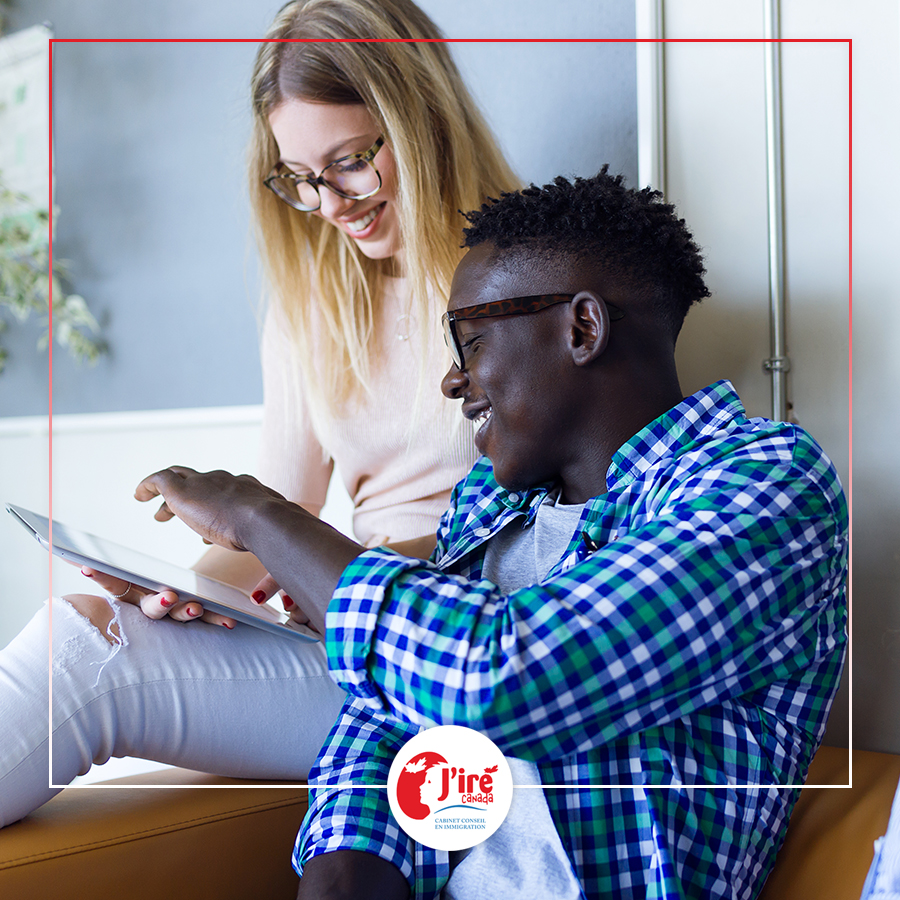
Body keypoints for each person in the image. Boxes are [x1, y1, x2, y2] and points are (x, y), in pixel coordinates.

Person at [133, 169, 849, 900]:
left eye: (471, 342)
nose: (453, 380)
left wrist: (261, 515)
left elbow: (505, 678)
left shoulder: (767, 484)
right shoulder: (486, 501)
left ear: (582, 329)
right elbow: (387, 728)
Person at [0, 0, 519, 828]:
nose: (331, 203)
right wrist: (188, 595)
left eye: (350, 162)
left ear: (422, 118)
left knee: (84, 656)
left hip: (454, 643)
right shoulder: (315, 303)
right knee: (100, 624)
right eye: (302, 178)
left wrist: (350, 568)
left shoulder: (529, 280)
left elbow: (552, 523)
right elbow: (277, 513)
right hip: (345, 615)